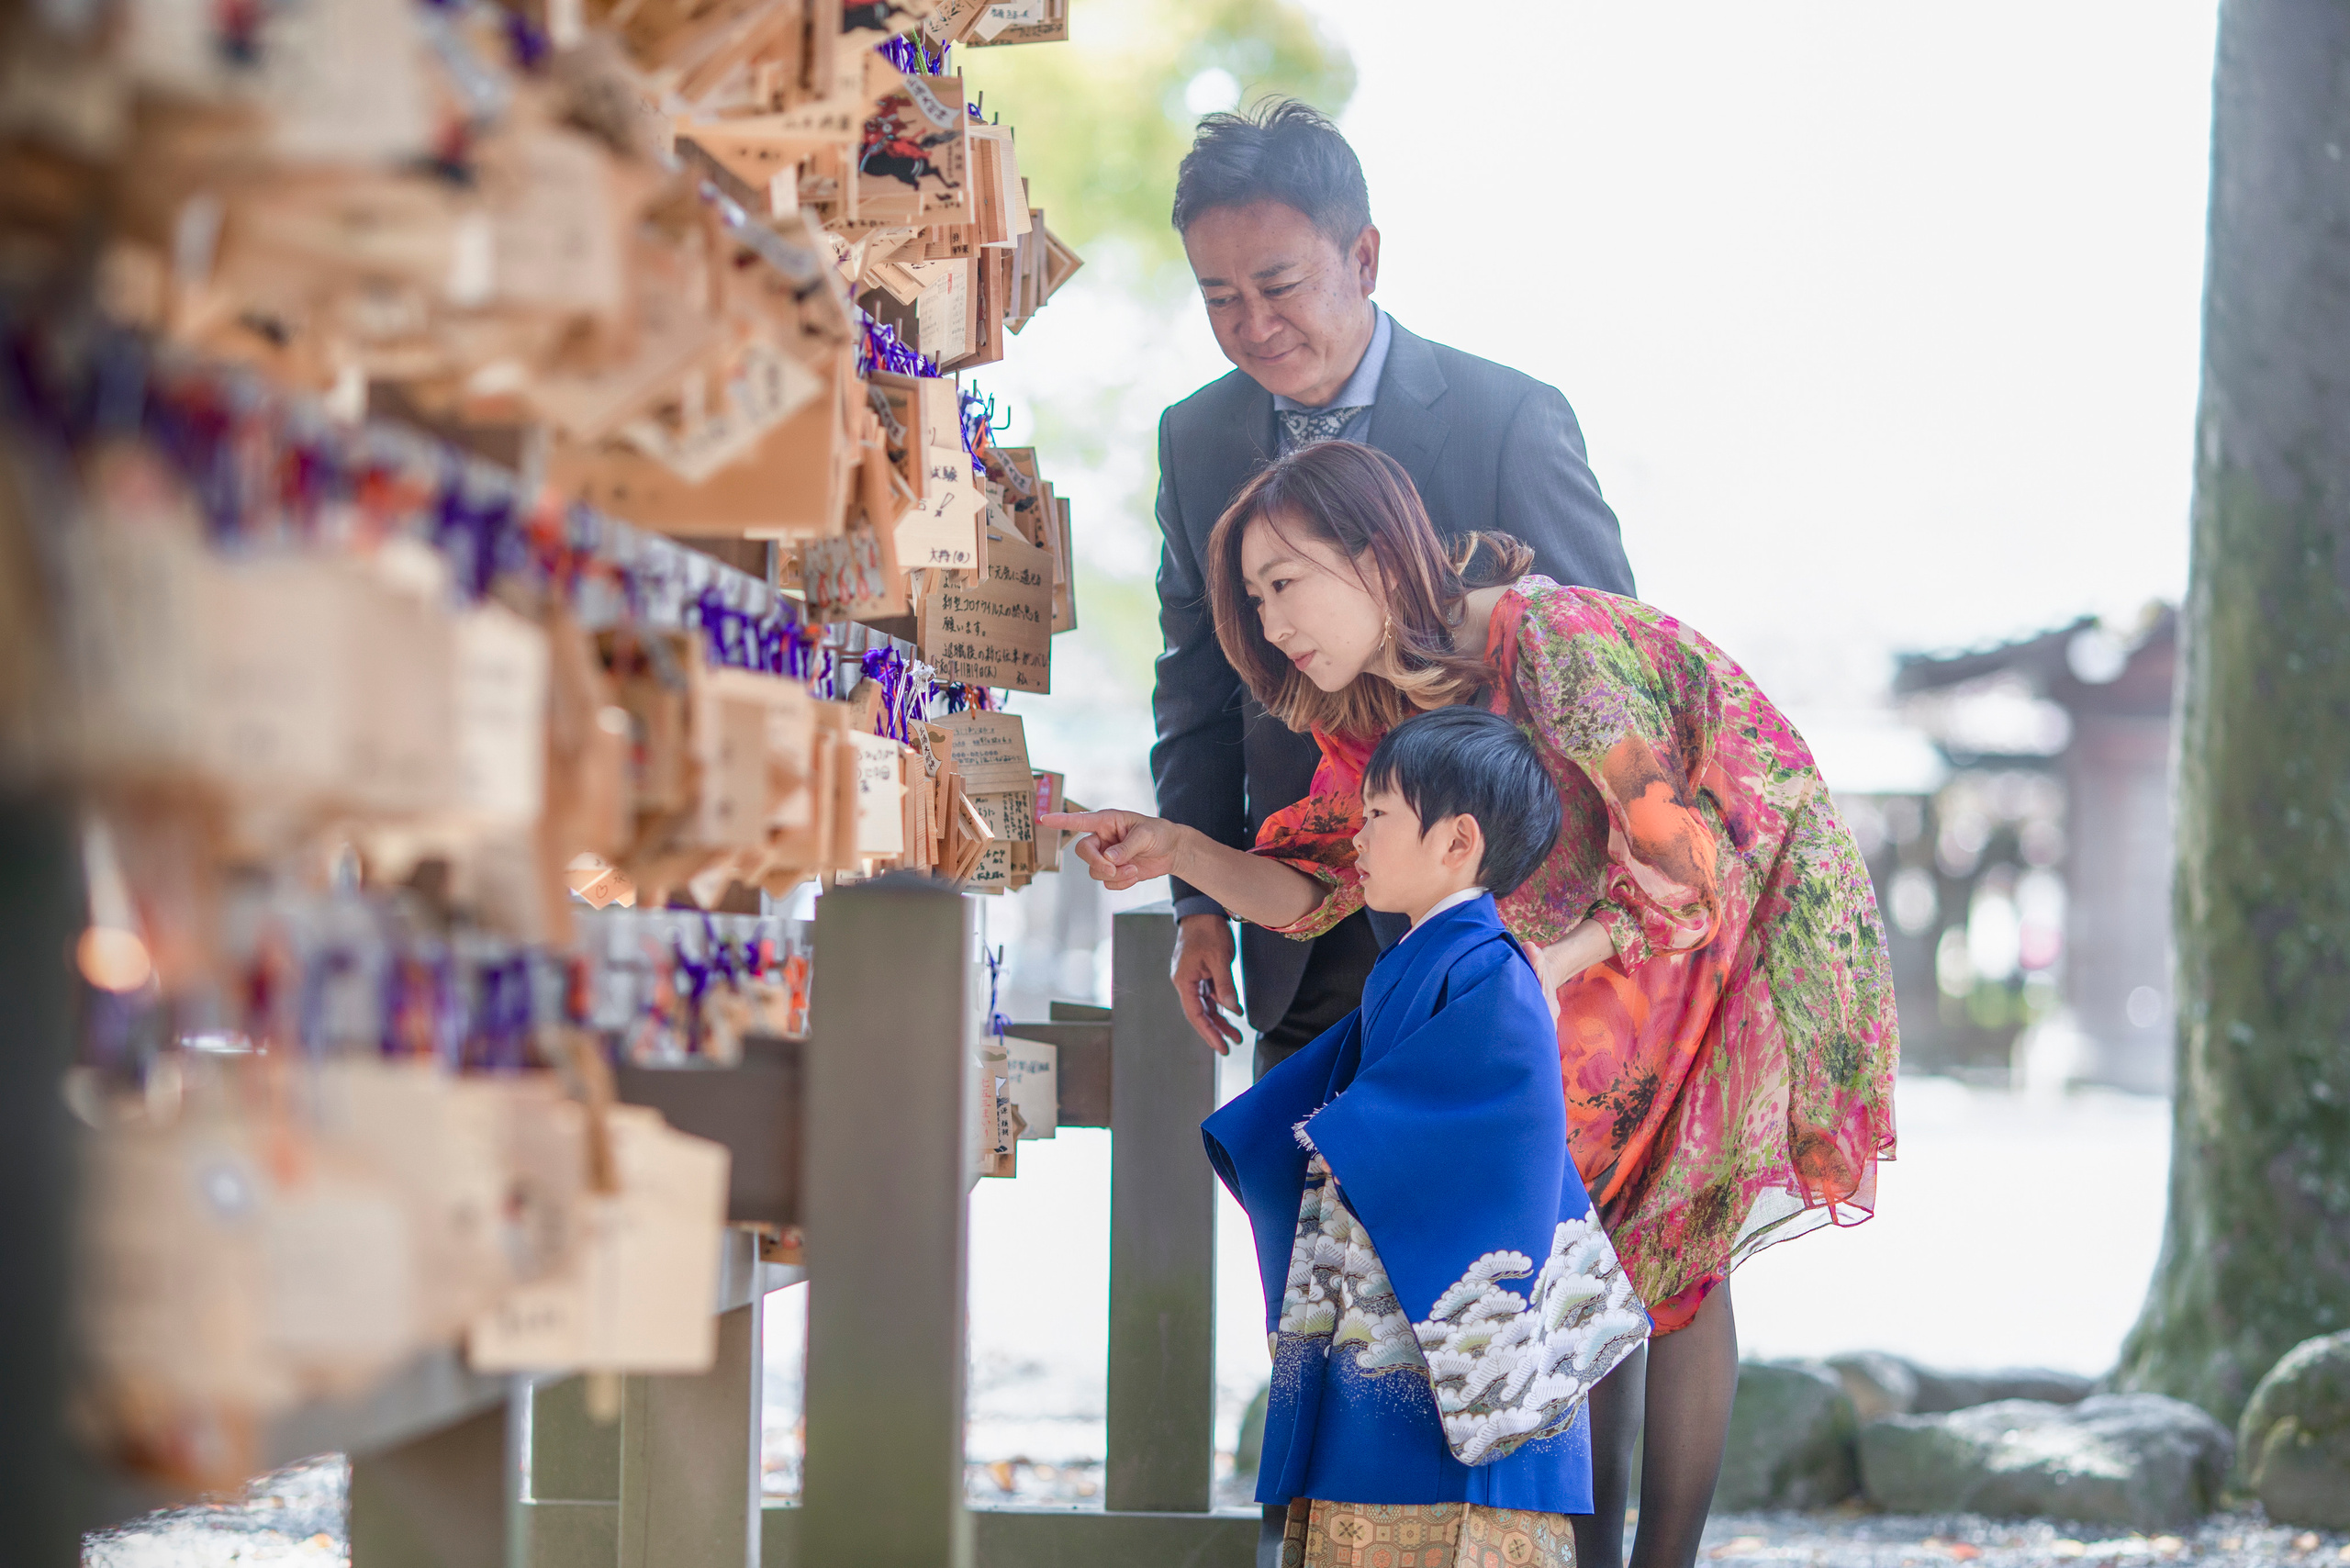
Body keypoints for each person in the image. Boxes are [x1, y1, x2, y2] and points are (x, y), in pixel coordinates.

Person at [1041, 441, 1899, 1568]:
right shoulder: (1369, 702)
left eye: (1285, 582)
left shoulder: (1555, 637)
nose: (1272, 621)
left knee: (1676, 1246)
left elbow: (1681, 861)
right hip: (1581, 943)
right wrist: (1182, 851)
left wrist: (1550, 962)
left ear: (1374, 555)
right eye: (1253, 599)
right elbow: (1320, 887)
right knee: (1578, 1235)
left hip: (1729, 900)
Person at [1151, 99, 1634, 1080]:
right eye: (1219, 297)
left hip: (1497, 942)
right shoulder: (1192, 438)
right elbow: (1196, 686)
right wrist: (1200, 905)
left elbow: (1613, 675)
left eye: (1279, 286)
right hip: (1298, 939)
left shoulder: (1507, 417)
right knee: (1294, 1181)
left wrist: (1565, 944)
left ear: (1363, 258)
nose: (1253, 324)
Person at [1203, 707, 1651, 1568]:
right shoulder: (1423, 960)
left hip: (1447, 1347)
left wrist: (1352, 1142)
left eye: (1378, 815)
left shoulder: (1493, 969)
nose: (1358, 836)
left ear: (1457, 842)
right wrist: (1323, 1139)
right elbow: (1344, 1104)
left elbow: (1498, 1146)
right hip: (1391, 1303)